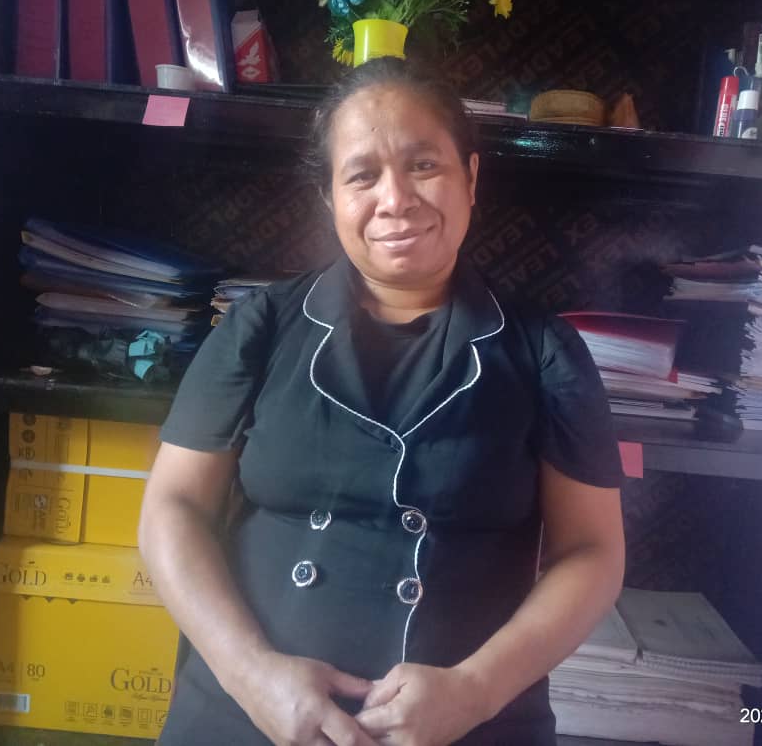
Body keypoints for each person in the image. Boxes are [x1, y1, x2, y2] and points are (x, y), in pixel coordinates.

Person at [139, 56, 626, 746]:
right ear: (330, 198)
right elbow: (172, 507)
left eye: (423, 165)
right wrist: (252, 676)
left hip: (473, 723)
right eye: (362, 175)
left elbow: (593, 551)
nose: (395, 199)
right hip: (247, 715)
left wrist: (476, 690)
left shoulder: (545, 351)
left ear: (471, 177)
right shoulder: (260, 326)